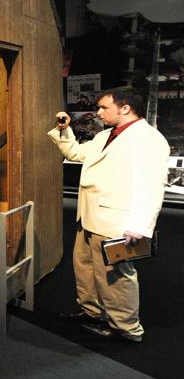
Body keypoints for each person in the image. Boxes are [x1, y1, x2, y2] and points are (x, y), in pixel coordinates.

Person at [48, 87, 169, 343]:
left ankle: (126, 328)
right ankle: (92, 313)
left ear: (125, 108)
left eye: (104, 107)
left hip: (117, 221)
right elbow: (76, 153)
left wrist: (139, 225)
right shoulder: (105, 135)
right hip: (89, 217)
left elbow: (152, 186)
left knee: (116, 276)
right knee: (86, 269)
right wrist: (63, 129)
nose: (99, 112)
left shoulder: (149, 139)